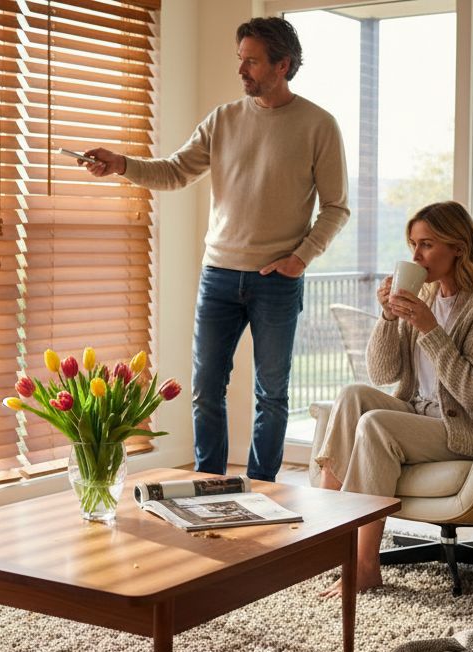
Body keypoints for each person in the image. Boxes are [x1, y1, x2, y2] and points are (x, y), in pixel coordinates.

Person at [76, 17, 349, 482]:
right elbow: (174, 171)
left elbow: (336, 207)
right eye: (239, 60)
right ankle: (210, 484)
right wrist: (122, 164)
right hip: (219, 276)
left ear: (283, 65)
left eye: (252, 61)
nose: (242, 69)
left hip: (276, 282)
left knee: (273, 394)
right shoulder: (223, 119)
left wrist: (299, 258)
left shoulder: (318, 125)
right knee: (205, 390)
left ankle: (263, 488)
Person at [312, 201, 473, 594]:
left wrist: (429, 327)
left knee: (376, 424)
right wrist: (389, 318)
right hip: (420, 413)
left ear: (458, 247)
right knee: (353, 396)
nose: (415, 256)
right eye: (412, 245)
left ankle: (365, 566)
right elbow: (382, 373)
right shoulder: (422, 293)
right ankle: (323, 545)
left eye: (426, 245)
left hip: (471, 430)